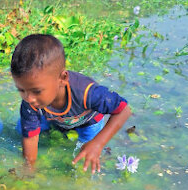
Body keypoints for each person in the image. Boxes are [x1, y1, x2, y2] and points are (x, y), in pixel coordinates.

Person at [11, 34, 131, 174]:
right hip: (54, 118)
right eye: (21, 90)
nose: (28, 98)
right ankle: (59, 128)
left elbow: (124, 110)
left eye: (36, 91)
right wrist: (28, 170)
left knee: (87, 154)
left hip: (88, 122)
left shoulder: (87, 93)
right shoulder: (31, 101)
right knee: (21, 129)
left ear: (62, 78)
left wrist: (98, 144)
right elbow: (30, 139)